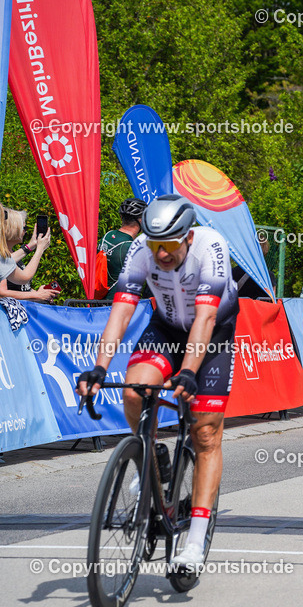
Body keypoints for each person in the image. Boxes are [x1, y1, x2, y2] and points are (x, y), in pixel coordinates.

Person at [77, 194, 238, 568]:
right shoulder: (140, 250)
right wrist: (100, 367)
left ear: (187, 238)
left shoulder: (211, 247)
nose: (161, 255)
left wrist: (188, 371)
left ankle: (195, 542)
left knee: (205, 434)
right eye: (155, 245)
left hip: (212, 333)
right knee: (135, 391)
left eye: (168, 246)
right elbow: (120, 312)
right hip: (165, 327)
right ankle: (154, 458)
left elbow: (205, 320)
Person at [0, 207, 56, 302]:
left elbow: (22, 287)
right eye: (24, 227)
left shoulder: (9, 256)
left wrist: (41, 294)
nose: (26, 231)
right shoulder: (4, 256)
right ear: (12, 229)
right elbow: (3, 292)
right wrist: (40, 249)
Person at [100, 198, 146, 299]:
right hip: (116, 306)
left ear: (121, 217)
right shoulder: (133, 248)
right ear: (141, 220)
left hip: (95, 303)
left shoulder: (107, 236)